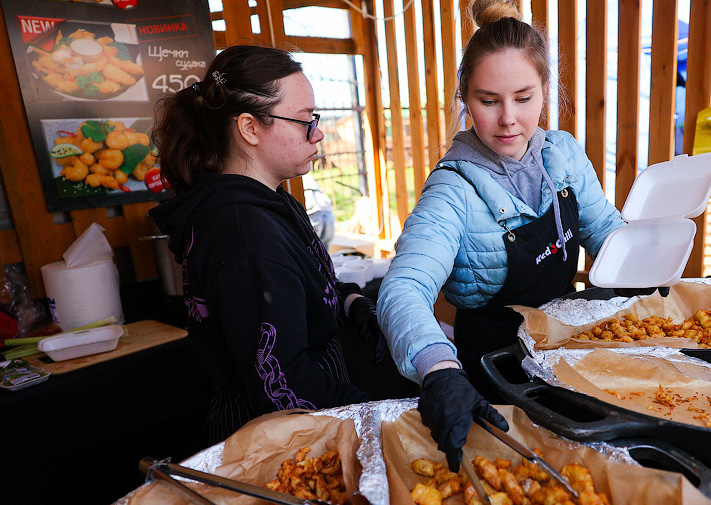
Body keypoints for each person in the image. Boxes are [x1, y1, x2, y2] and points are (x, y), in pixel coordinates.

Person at [377, 0, 626, 471]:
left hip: (567, 362)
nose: (508, 118)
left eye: (524, 98)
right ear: (466, 98)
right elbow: (404, 287)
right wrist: (438, 370)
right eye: (489, 101)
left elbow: (608, 235)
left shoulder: (565, 155)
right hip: (493, 380)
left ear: (546, 91)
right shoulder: (453, 189)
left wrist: (647, 256)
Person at [150, 45, 385, 442]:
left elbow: (306, 280)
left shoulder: (270, 200)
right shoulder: (243, 234)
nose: (319, 132)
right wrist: (378, 419)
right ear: (250, 128)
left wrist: (350, 300)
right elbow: (284, 379)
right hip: (278, 433)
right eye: (303, 120)